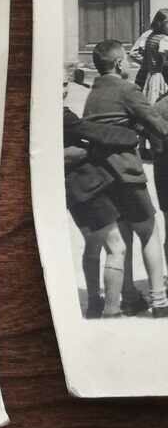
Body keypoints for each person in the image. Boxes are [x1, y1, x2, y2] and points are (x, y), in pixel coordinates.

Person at [82, 39, 168, 317]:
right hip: (126, 173)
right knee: (149, 232)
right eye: (127, 60)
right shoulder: (127, 89)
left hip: (101, 176)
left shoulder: (94, 93)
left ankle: (129, 297)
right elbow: (161, 126)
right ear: (119, 63)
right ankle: (159, 301)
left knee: (124, 236)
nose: (130, 64)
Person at [65, 86, 135, 320]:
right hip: (87, 186)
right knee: (117, 247)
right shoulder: (62, 115)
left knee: (93, 244)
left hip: (73, 192)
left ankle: (95, 303)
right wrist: (130, 136)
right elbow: (99, 133)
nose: (65, 89)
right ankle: (112, 309)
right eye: (62, 84)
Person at [131, 8, 168, 103]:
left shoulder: (154, 36)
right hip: (155, 73)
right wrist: (150, 62)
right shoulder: (150, 35)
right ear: (161, 23)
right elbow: (134, 53)